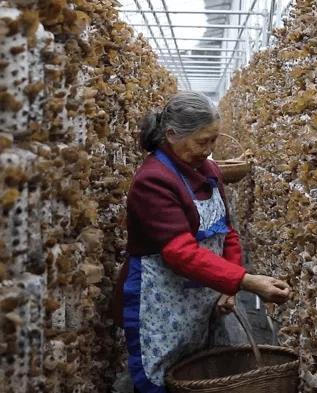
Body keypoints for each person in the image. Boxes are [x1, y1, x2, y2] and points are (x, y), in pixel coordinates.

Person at [115, 91, 291, 393]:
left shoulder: (207, 170)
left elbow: (227, 231)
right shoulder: (153, 180)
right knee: (162, 374)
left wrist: (229, 286)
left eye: (213, 140)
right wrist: (246, 281)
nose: (209, 150)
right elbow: (179, 252)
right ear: (171, 134)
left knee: (202, 369)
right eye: (202, 141)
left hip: (202, 293)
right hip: (161, 300)